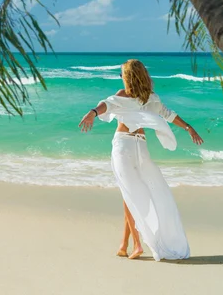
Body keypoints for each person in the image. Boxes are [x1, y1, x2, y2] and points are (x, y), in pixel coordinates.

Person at [79, 58, 204, 261]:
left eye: (122, 75)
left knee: (130, 192)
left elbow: (106, 105)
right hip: (141, 147)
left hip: (123, 146)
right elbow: (169, 115)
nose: (121, 79)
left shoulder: (123, 95)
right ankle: (124, 244)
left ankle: (137, 244)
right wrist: (188, 128)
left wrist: (92, 113)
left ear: (127, 77)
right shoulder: (151, 98)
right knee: (131, 193)